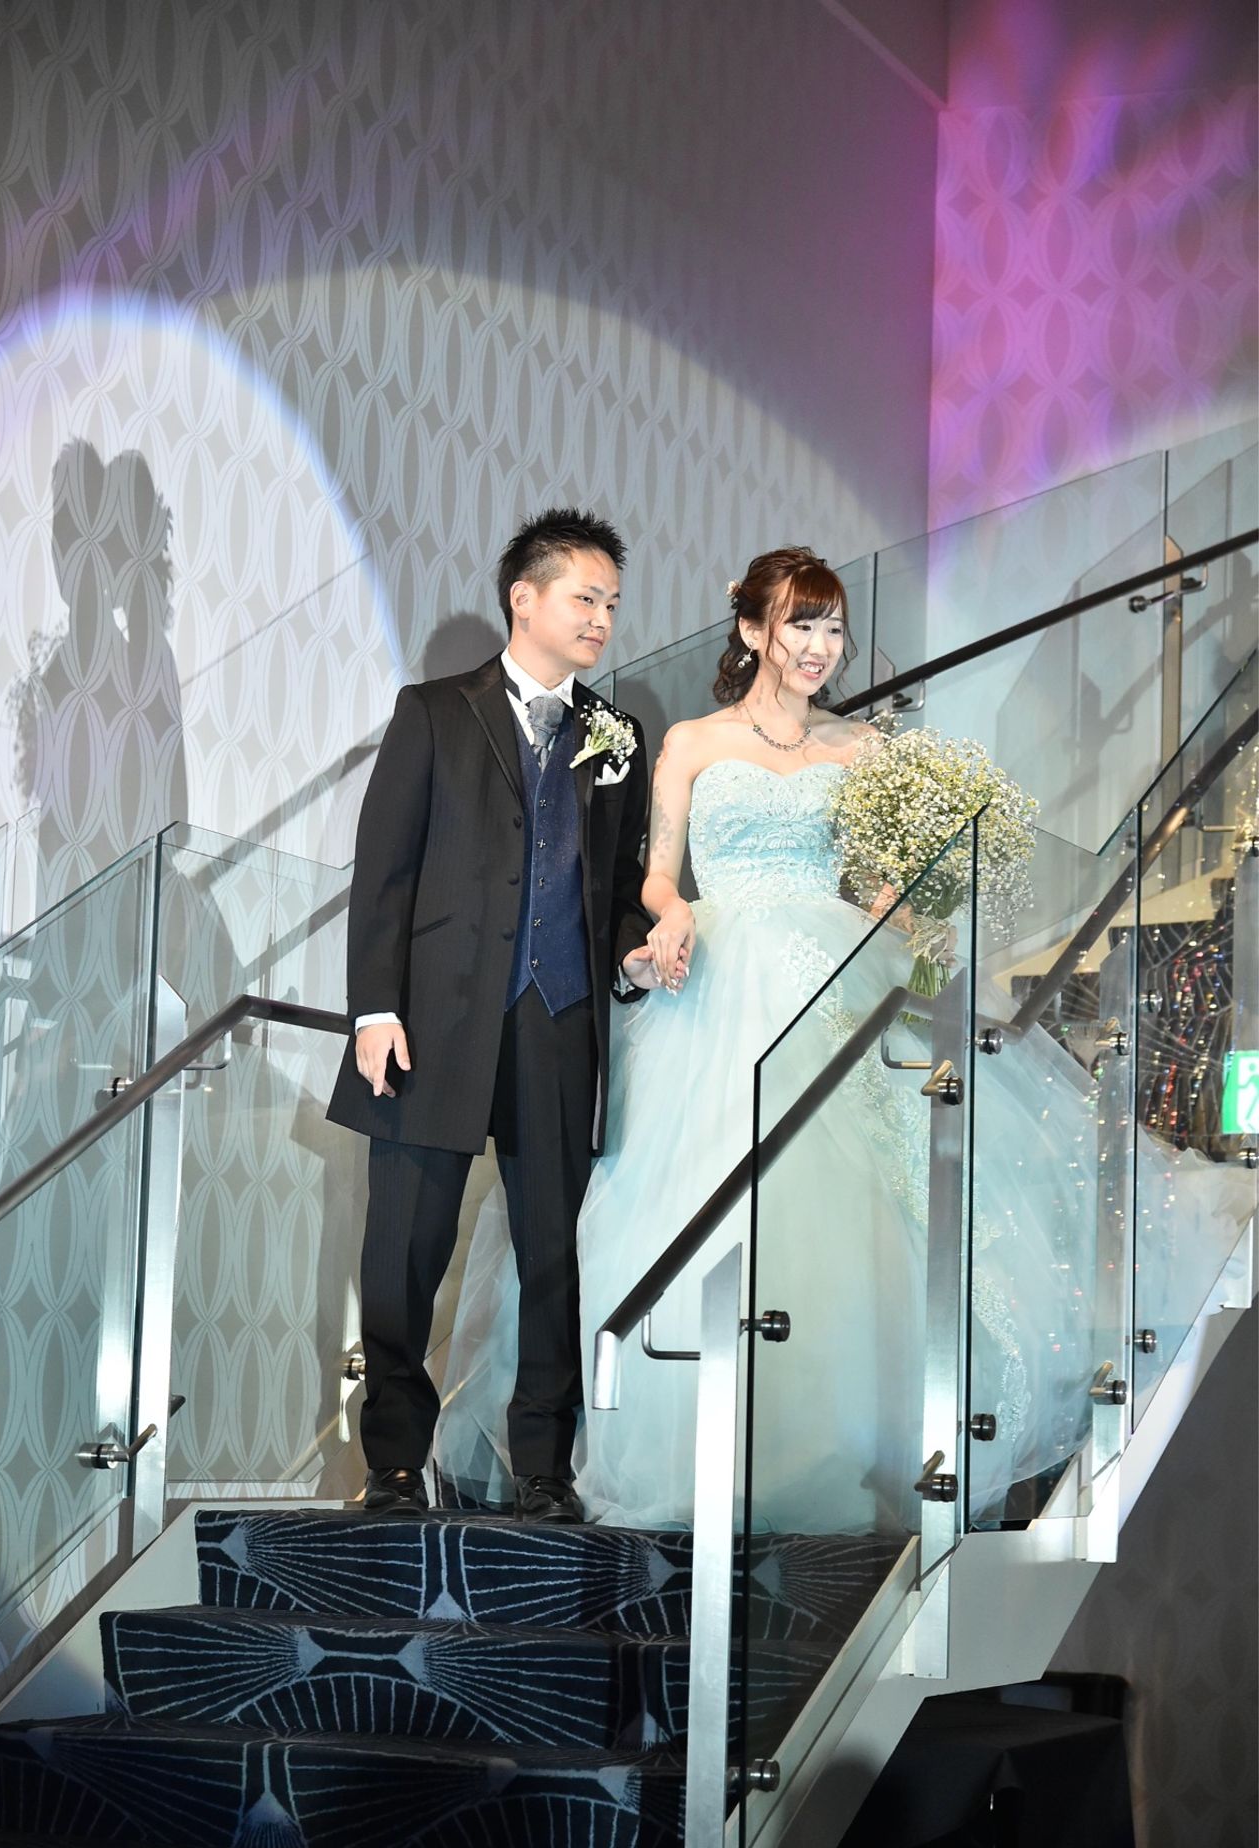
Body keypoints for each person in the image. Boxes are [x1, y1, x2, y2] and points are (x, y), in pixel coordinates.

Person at [436, 546, 1252, 1532]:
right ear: (752, 631)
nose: (820, 646)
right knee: (690, 1195)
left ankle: (847, 1447)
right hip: (718, 978)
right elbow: (654, 871)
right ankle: (689, 1449)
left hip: (832, 969)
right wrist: (670, 914)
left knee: (862, 1207)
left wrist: (915, 910)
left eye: (832, 628)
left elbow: (874, 882)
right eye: (800, 624)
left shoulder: (864, 749)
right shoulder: (689, 742)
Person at [327, 507, 659, 1524]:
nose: (601, 619)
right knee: (405, 1247)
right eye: (584, 598)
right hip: (433, 1021)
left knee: (554, 1255)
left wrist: (633, 953)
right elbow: (383, 872)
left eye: (611, 603)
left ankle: (544, 1469)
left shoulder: (617, 736)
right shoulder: (434, 712)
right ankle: (393, 1463)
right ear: (524, 597)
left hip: (559, 1019)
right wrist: (374, 1008)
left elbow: (612, 892)